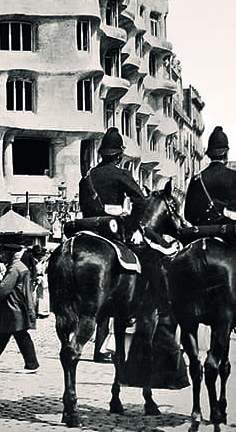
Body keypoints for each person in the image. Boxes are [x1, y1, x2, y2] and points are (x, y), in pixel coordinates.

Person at [79, 127, 147, 361]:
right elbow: (141, 200)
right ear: (119, 155)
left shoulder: (87, 177)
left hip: (87, 228)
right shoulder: (120, 174)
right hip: (113, 229)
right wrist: (131, 223)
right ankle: (131, 311)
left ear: (101, 154)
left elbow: (83, 206)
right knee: (140, 263)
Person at [0, 244, 39, 372]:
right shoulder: (19, 267)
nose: (1, 256)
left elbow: (4, 288)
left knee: (20, 334)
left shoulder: (14, 269)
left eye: (3, 253)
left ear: (9, 254)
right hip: (14, 305)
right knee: (4, 335)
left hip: (13, 306)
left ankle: (32, 364)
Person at [184, 126, 236, 231]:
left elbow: (189, 215)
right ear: (226, 153)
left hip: (203, 233)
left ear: (209, 155)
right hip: (232, 235)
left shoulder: (197, 179)